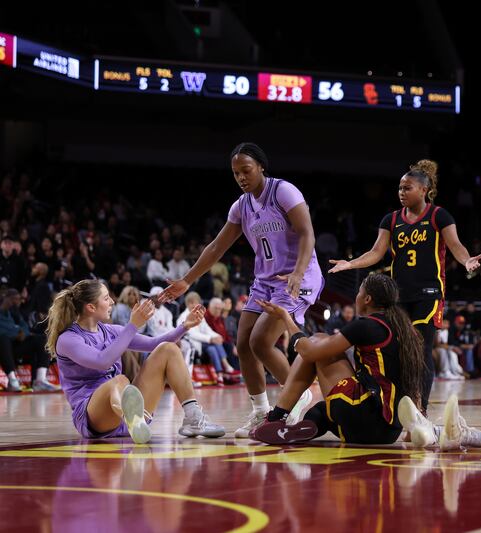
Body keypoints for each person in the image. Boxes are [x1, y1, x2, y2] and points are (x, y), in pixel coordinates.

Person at [161, 142, 322, 438]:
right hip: (266, 279)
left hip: (297, 275)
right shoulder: (241, 206)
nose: (241, 177)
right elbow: (217, 246)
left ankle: (300, 395)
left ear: (261, 166)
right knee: (243, 344)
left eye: (246, 170)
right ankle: (261, 411)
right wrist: (187, 279)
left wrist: (299, 272)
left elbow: (306, 233)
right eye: (236, 173)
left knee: (261, 341)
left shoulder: (283, 191)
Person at [328, 160, 481, 411]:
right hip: (398, 296)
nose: (401, 193)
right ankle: (398, 407)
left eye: (407, 188)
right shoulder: (391, 220)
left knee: (421, 351)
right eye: (399, 188)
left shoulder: (439, 215)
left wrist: (466, 261)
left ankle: (420, 413)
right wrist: (351, 264)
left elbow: (456, 245)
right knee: (398, 353)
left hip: (429, 294)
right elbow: (376, 252)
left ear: (423, 190)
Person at [248, 274, 425, 445]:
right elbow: (415, 382)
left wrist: (286, 317)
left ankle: (276, 418)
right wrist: (415, 424)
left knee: (317, 340)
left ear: (367, 299)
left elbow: (309, 353)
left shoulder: (366, 325)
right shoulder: (406, 330)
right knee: (321, 411)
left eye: (359, 292)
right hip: (390, 432)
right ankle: (311, 425)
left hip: (364, 414)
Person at [46, 279, 224, 443]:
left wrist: (185, 326)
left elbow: (155, 343)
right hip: (93, 417)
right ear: (91, 307)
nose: (112, 302)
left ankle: (192, 418)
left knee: (168, 349)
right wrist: (133, 325)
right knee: (120, 381)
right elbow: (102, 362)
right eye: (106, 298)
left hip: (127, 407)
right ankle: (132, 417)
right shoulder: (68, 339)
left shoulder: (111, 330)